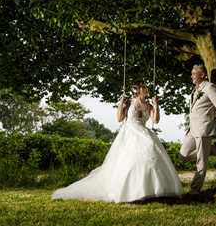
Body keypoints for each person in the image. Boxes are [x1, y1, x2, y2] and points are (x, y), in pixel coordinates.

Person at [52, 81, 182, 203]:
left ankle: (152, 189)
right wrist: (121, 104)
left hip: (144, 131)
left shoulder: (149, 105)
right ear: (137, 90)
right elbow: (120, 118)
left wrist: (157, 105)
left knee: (151, 151)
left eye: (144, 87)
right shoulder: (129, 102)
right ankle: (131, 191)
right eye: (141, 87)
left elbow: (155, 120)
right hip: (130, 132)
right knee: (131, 159)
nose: (144, 89)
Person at [180, 64, 216, 195]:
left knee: (201, 161)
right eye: (191, 73)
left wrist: (213, 122)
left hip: (204, 129)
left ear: (202, 75)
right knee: (183, 154)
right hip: (192, 129)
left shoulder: (210, 87)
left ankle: (194, 191)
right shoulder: (195, 90)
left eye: (194, 73)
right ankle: (215, 149)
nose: (191, 76)